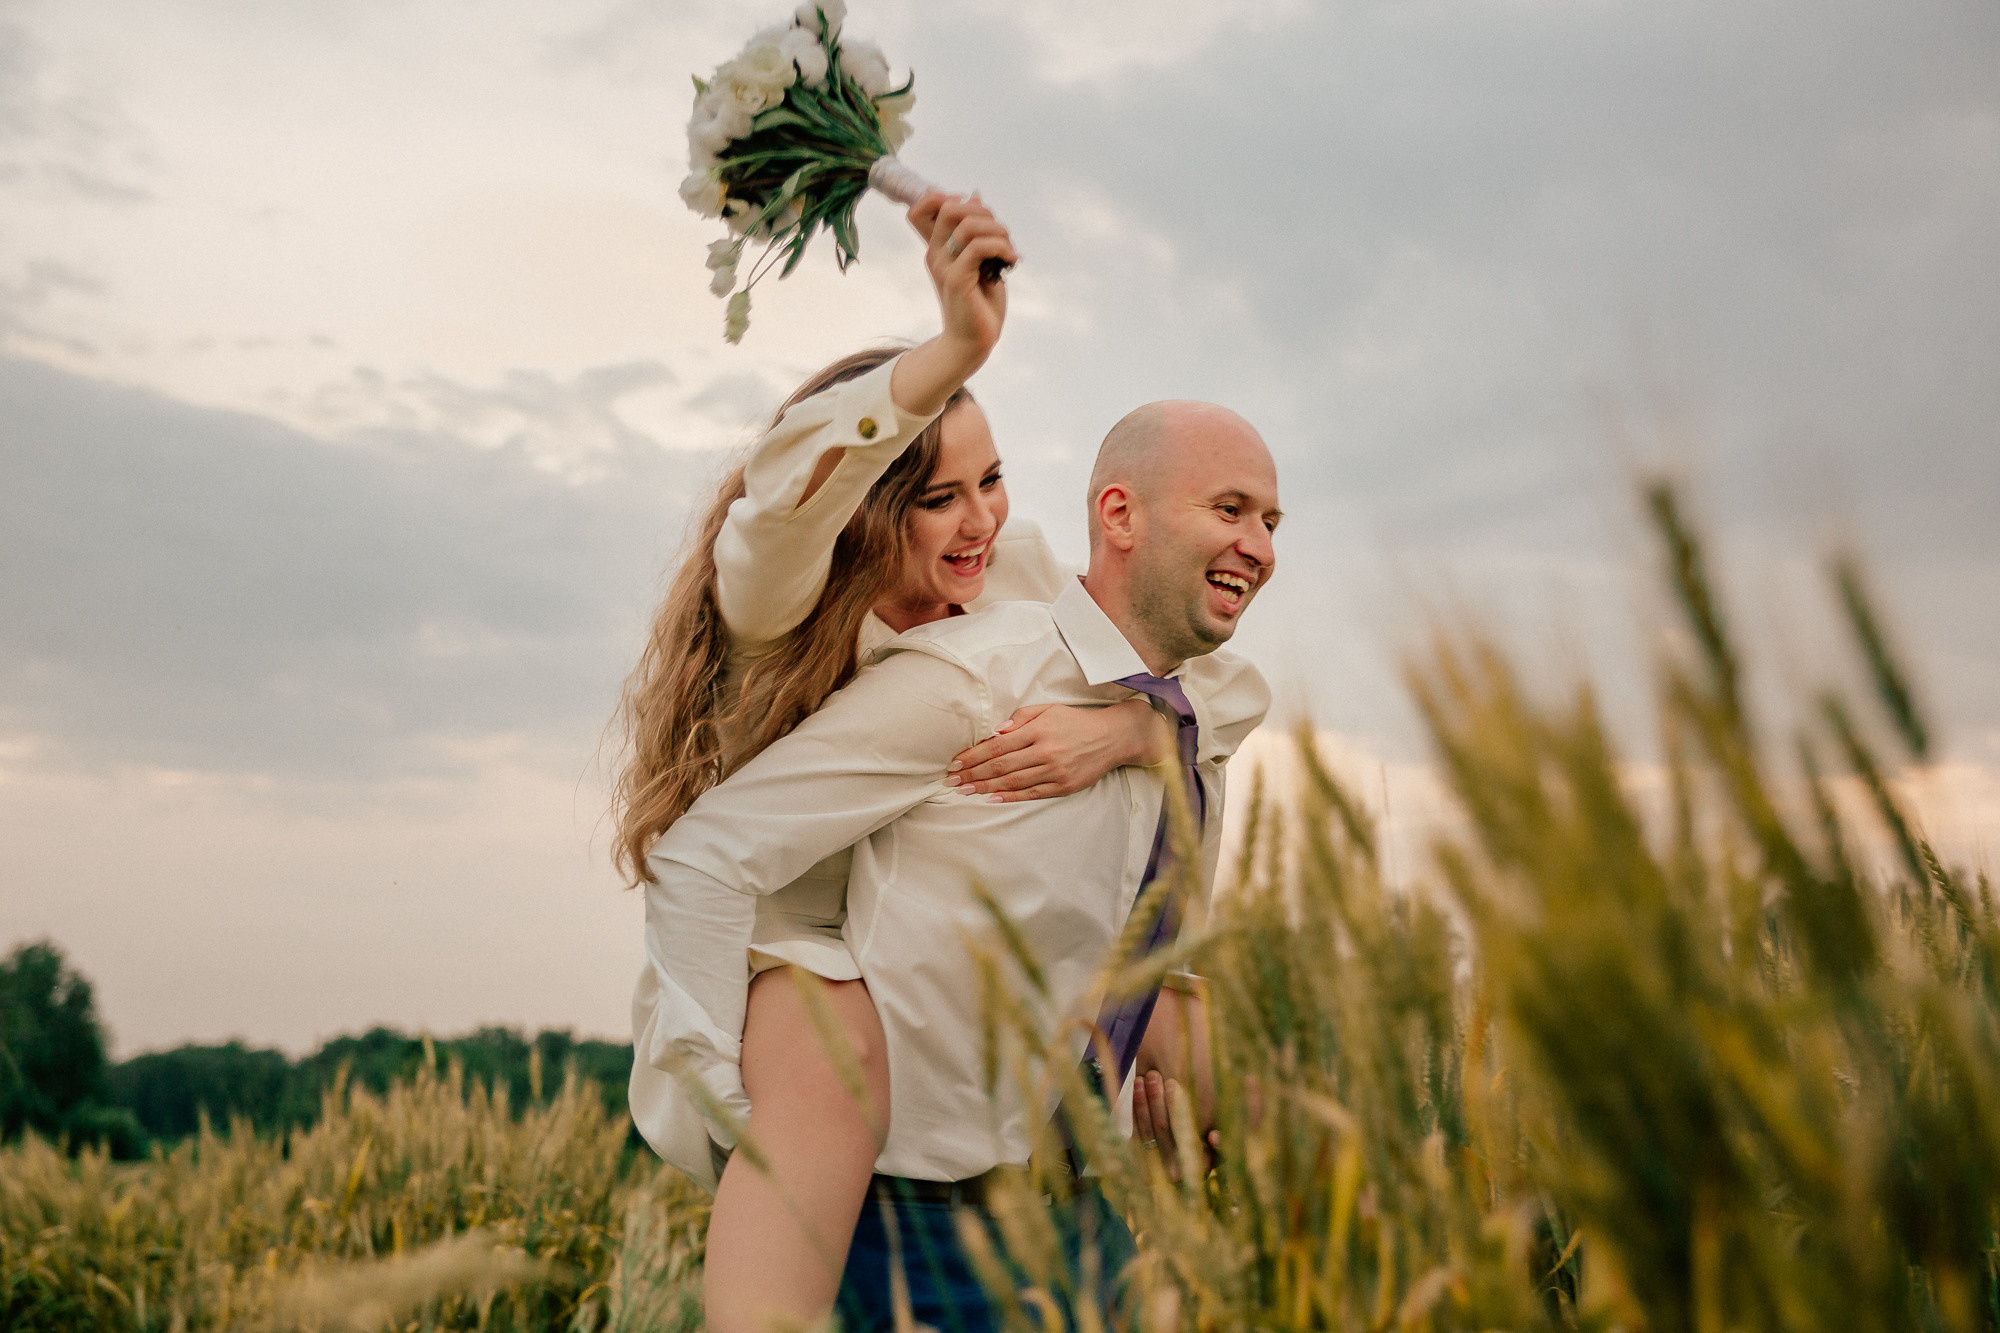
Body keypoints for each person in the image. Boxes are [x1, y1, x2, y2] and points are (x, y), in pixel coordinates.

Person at [614, 195, 1267, 1332]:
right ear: (870, 512)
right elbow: (786, 497)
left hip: (944, 958)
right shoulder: (783, 596)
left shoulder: (1003, 588)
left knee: (1216, 1043)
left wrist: (1132, 731)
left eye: (993, 480)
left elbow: (1201, 683)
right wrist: (954, 347)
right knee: (833, 1078)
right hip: (786, 934)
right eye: (937, 495)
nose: (980, 520)